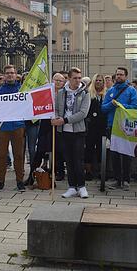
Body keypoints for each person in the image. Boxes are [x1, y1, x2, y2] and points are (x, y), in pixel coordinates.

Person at [53, 67, 91, 199]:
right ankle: (71, 187)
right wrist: (57, 118)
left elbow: (83, 113)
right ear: (68, 79)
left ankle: (81, 186)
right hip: (64, 131)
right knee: (68, 160)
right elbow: (57, 108)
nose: (77, 80)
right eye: (75, 78)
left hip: (78, 131)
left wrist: (65, 120)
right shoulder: (61, 93)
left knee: (78, 160)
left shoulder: (85, 93)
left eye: (79, 78)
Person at [101, 67, 137, 190]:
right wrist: (111, 105)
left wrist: (120, 105)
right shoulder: (110, 91)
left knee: (126, 153)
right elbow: (103, 108)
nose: (118, 76)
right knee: (114, 153)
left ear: (126, 76)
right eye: (117, 74)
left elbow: (135, 106)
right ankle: (117, 180)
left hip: (125, 126)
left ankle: (126, 180)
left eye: (121, 75)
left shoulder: (131, 90)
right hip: (112, 125)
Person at [0, 65, 27, 192]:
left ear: (16, 74)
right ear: (4, 75)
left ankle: (20, 181)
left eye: (12, 73)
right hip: (3, 125)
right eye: (7, 73)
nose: (10, 75)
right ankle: (1, 181)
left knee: (19, 155)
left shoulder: (22, 89)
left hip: (18, 125)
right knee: (2, 155)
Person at [84, 74, 107, 181]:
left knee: (101, 149)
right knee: (88, 148)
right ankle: (88, 171)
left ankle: (99, 171)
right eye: (96, 80)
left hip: (102, 126)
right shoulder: (88, 94)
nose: (98, 82)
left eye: (100, 80)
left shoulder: (107, 94)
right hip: (90, 126)